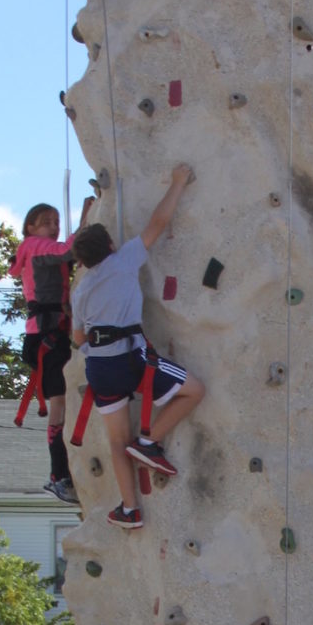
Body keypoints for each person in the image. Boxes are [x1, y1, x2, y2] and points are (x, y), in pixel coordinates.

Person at [70, 167, 205, 529]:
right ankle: (149, 440)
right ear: (111, 247)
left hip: (100, 368)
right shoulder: (122, 261)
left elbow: (78, 338)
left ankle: (130, 509)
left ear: (82, 262)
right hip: (131, 358)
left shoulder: (80, 290)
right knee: (194, 390)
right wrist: (177, 182)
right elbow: (158, 223)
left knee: (117, 439)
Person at [10, 195, 95, 504]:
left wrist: (85, 219)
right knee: (58, 406)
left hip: (50, 335)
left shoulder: (38, 250)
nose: (54, 226)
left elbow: (75, 255)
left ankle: (61, 474)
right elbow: (67, 251)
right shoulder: (34, 247)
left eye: (57, 222)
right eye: (46, 222)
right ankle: (58, 475)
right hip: (46, 338)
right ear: (30, 228)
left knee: (62, 404)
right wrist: (86, 216)